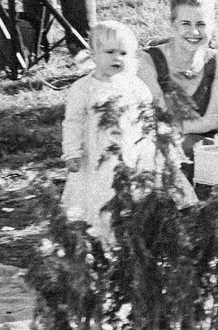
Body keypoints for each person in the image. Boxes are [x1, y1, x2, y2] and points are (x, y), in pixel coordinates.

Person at [61, 19, 166, 242]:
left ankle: (131, 234)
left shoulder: (134, 85)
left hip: (130, 151)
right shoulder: (82, 89)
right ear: (93, 54)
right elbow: (73, 123)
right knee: (100, 195)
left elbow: (147, 114)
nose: (117, 58)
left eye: (123, 53)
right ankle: (100, 237)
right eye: (109, 52)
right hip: (96, 156)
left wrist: (153, 144)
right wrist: (71, 152)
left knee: (132, 191)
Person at [139, 0, 218, 144]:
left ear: (212, 26)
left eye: (201, 24)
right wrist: (215, 122)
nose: (194, 32)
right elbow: (163, 123)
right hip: (156, 145)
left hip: (198, 145)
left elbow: (209, 124)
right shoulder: (147, 60)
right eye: (185, 23)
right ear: (172, 25)